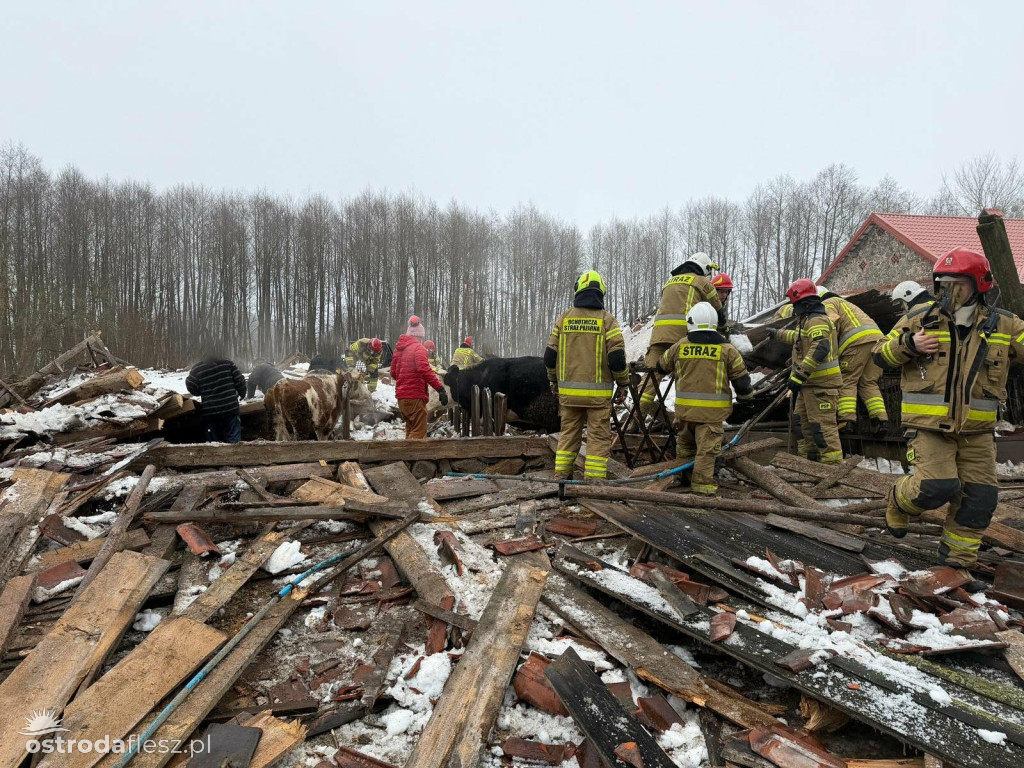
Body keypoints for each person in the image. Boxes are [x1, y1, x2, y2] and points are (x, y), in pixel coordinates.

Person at [873, 248, 1024, 570]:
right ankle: (899, 500)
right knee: (935, 487)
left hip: (978, 433)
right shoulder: (920, 318)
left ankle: (956, 565)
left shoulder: (1006, 325)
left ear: (979, 285)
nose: (949, 290)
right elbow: (879, 354)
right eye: (943, 283)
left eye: (958, 283)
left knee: (980, 500)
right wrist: (909, 346)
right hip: (929, 427)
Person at [656, 301, 753, 495]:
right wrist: (746, 399)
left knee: (685, 448)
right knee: (706, 454)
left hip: (684, 413)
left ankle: (684, 480)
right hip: (711, 416)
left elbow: (661, 366)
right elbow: (742, 383)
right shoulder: (728, 350)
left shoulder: (680, 346)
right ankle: (702, 491)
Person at [545, 270, 630, 480]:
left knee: (568, 437)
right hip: (598, 398)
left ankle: (561, 480)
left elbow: (549, 356)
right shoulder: (607, 321)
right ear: (601, 292)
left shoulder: (563, 318)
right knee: (598, 439)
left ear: (578, 291)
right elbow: (617, 359)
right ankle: (593, 483)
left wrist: (553, 380)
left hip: (569, 396)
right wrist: (623, 383)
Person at [769, 279, 843, 465]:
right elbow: (800, 337)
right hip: (809, 386)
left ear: (802, 301)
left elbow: (820, 346)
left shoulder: (817, 319)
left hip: (821, 386)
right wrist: (777, 334)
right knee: (801, 425)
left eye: (794, 303)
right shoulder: (808, 320)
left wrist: (799, 374)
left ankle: (832, 470)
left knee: (822, 430)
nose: (793, 307)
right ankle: (808, 466)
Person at [640, 252, 722, 416]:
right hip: (684, 337)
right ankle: (684, 422)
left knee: (650, 381)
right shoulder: (702, 281)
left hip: (659, 337)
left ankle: (636, 417)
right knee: (686, 380)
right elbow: (718, 309)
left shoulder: (669, 282)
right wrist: (724, 327)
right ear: (705, 268)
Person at [816, 286, 888, 431]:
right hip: (878, 342)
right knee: (868, 383)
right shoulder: (845, 303)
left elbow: (833, 319)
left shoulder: (827, 303)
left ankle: (846, 420)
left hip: (856, 343)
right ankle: (880, 421)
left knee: (847, 380)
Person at [391, 315, 448, 439]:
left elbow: (393, 373)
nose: (422, 340)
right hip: (415, 397)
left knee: (410, 429)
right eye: (421, 337)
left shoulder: (398, 350)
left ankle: (405, 458)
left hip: (401, 398)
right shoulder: (418, 348)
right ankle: (412, 457)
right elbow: (425, 370)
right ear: (418, 336)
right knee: (418, 432)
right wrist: (440, 389)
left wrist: (405, 381)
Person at [186, 350, 247, 443]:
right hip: (230, 408)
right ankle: (234, 454)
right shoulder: (227, 363)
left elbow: (190, 384)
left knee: (213, 443)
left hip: (211, 412)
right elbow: (240, 380)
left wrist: (201, 391)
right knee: (234, 440)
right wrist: (242, 393)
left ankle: (214, 455)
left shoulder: (197, 368)